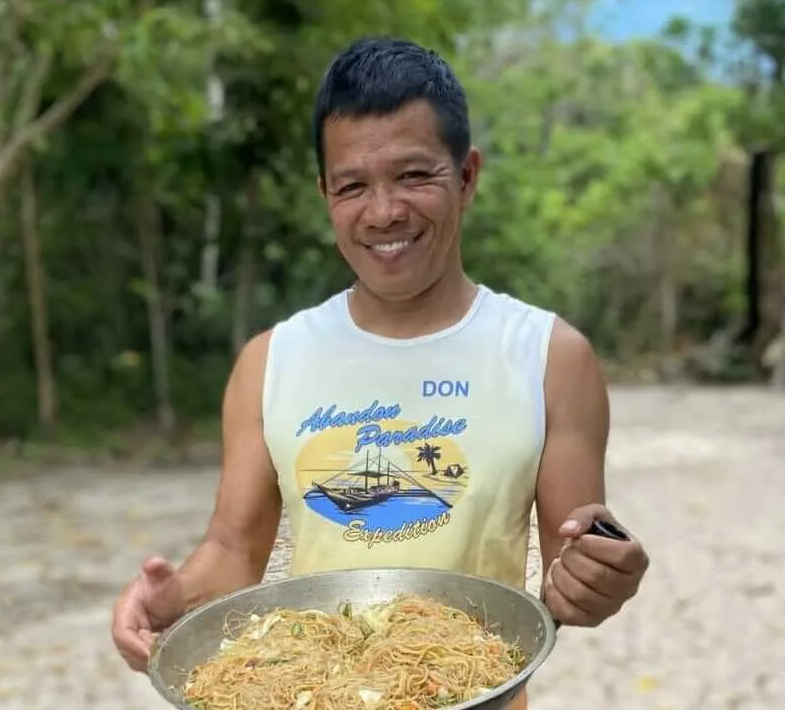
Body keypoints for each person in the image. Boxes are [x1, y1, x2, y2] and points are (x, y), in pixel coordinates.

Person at [111, 36, 650, 707]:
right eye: (353, 186)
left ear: (467, 176)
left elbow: (570, 580)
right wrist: (176, 598)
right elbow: (232, 549)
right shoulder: (271, 360)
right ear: (324, 193)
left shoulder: (547, 355)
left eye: (414, 175)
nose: (384, 210)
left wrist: (600, 577)